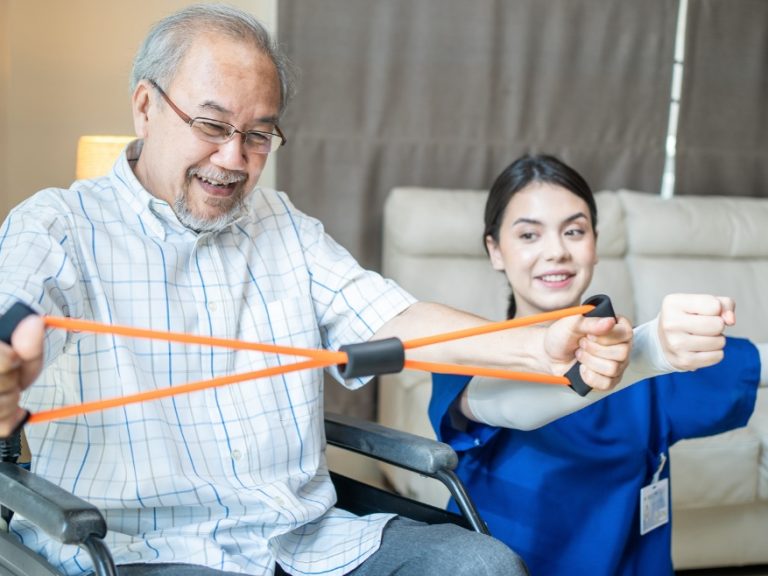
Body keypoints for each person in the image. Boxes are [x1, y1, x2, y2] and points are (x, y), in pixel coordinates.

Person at [0, 7, 636, 576]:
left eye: (258, 135)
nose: (233, 158)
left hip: (306, 544)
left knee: (481, 565)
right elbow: (13, 316)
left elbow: (395, 319)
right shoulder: (58, 224)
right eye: (211, 124)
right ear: (145, 105)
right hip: (144, 551)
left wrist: (539, 345)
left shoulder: (284, 226)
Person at [428, 154, 763, 575]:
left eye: (574, 231)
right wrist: (647, 350)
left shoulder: (656, 371)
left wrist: (656, 348)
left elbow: (753, 364)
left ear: (595, 243)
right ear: (495, 250)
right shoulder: (466, 356)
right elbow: (508, 405)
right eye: (529, 235)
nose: (556, 252)